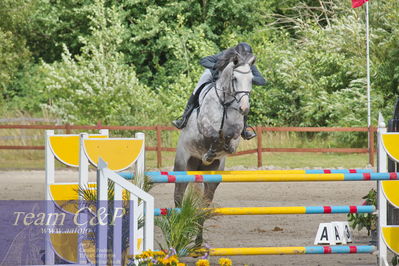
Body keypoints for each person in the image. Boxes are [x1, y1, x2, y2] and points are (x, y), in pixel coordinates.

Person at [172, 42, 266, 140]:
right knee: (198, 87)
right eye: (243, 56)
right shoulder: (225, 55)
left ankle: (244, 129)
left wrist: (248, 78)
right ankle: (184, 118)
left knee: (244, 97)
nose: (244, 59)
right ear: (236, 54)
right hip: (213, 75)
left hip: (231, 86)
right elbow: (203, 61)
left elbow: (262, 81)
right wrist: (218, 66)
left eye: (246, 57)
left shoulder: (247, 64)